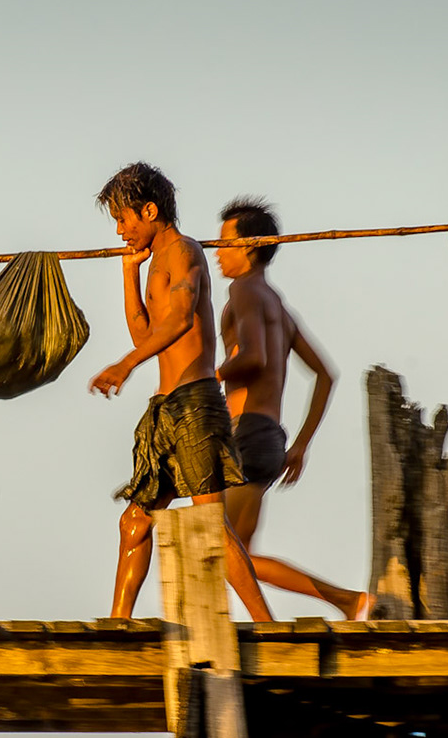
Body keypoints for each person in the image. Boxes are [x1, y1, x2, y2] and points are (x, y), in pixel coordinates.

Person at [88, 163, 273, 621]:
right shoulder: (154, 261)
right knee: (135, 521)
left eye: (124, 220)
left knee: (212, 525)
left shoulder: (184, 251)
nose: (120, 231)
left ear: (150, 211)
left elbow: (182, 316)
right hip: (165, 408)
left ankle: (268, 627)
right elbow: (145, 333)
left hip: (195, 403)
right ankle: (117, 625)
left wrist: (126, 365)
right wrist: (128, 274)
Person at [212, 197, 373, 620]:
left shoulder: (244, 290)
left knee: (220, 548)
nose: (217, 252)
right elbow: (325, 375)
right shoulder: (277, 306)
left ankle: (341, 602)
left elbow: (254, 357)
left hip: (246, 434)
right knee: (238, 553)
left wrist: (211, 376)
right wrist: (300, 444)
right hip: (268, 436)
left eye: (225, 243)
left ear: (250, 246)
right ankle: (349, 602)